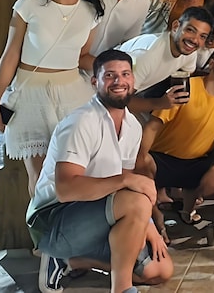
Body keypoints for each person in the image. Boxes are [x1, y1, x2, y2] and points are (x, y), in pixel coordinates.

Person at [26, 50, 174, 293]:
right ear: (95, 82)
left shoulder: (132, 126)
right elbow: (65, 190)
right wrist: (127, 180)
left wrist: (147, 225)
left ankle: (72, 261)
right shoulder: (82, 122)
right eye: (110, 75)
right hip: (53, 221)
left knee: (160, 270)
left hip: (97, 216)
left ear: (133, 80)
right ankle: (122, 289)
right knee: (137, 199)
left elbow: (127, 190)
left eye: (125, 74)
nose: (119, 81)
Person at [0, 0, 104, 195]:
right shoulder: (29, 5)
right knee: (40, 177)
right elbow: (11, 54)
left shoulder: (91, 12)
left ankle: (67, 221)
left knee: (74, 172)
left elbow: (82, 56)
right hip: (30, 95)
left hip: (73, 93)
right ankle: (40, 222)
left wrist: (110, 70)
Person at [139, 43, 214, 227]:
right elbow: (153, 126)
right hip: (162, 158)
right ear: (212, 63)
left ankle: (188, 209)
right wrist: (140, 158)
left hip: (197, 162)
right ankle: (153, 214)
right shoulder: (186, 87)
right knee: (142, 161)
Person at [117, 7, 213, 111]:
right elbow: (118, 100)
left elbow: (188, 74)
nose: (195, 40)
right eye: (190, 30)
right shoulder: (146, 55)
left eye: (202, 36)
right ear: (175, 26)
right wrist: (159, 103)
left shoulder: (189, 52)